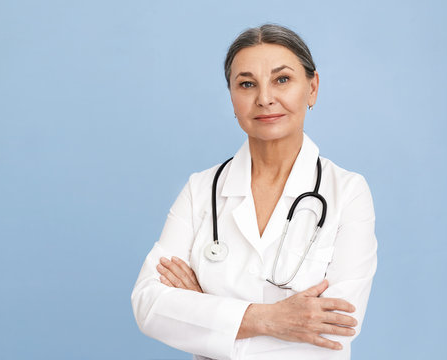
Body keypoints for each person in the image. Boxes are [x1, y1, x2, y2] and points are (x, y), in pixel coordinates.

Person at [131, 23, 377, 360]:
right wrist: (270, 320)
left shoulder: (347, 192)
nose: (264, 98)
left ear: (312, 88)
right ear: (231, 96)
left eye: (282, 79)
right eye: (247, 84)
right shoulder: (200, 190)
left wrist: (204, 311)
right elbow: (149, 305)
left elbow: (334, 325)